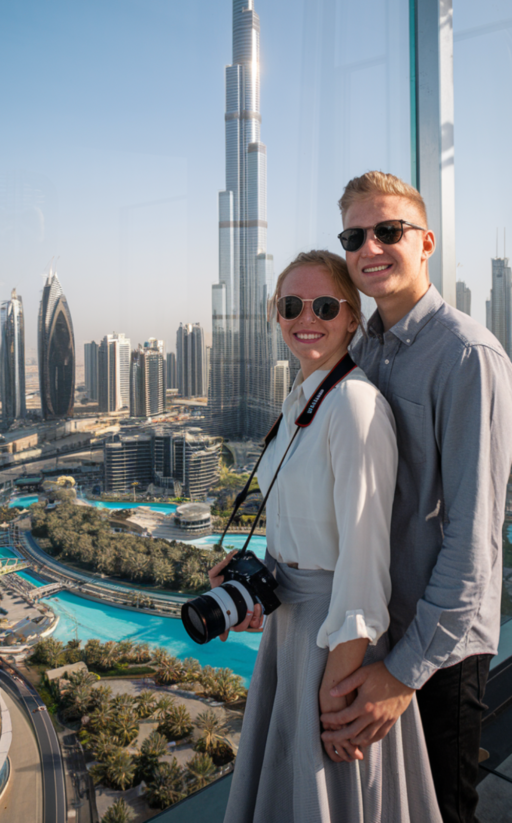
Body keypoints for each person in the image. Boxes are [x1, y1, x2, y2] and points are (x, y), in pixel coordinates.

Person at [215, 249, 442, 823]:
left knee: (332, 797)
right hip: (291, 626)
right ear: (276, 313)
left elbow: (364, 564)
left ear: (350, 318)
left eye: (323, 305)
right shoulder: (300, 398)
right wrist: (252, 581)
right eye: (291, 305)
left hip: (335, 638)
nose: (304, 317)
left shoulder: (354, 406)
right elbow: (297, 522)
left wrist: (339, 686)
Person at [321, 171, 512, 823]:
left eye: (387, 231)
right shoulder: (366, 347)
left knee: (440, 811)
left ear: (425, 241)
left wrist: (402, 673)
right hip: (380, 630)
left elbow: (474, 538)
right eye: (354, 235)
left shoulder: (467, 356)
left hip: (437, 650)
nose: (369, 246)